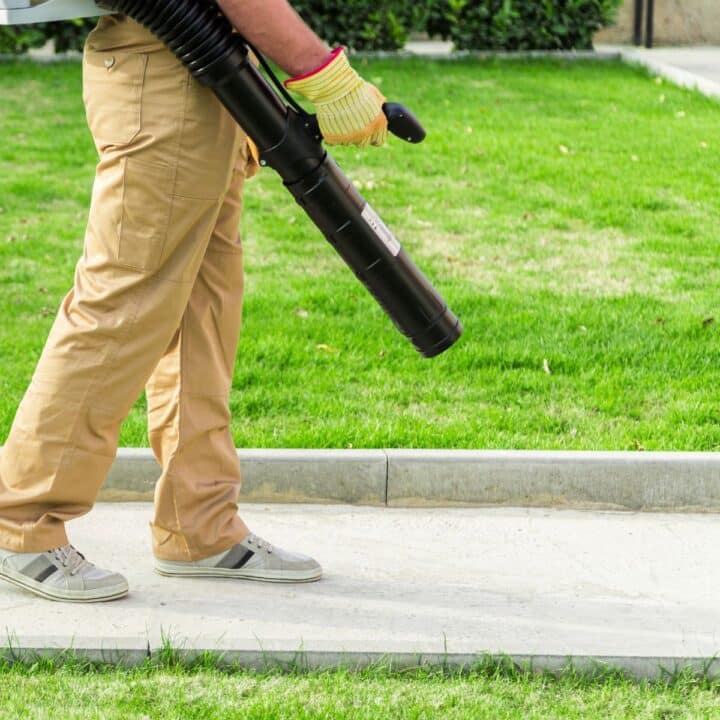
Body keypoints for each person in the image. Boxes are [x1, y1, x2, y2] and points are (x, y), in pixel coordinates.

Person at [0, 0, 388, 602]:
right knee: (122, 302)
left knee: (200, 307)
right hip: (166, 62)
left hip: (207, 68)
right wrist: (324, 73)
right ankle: (18, 519)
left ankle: (198, 524)